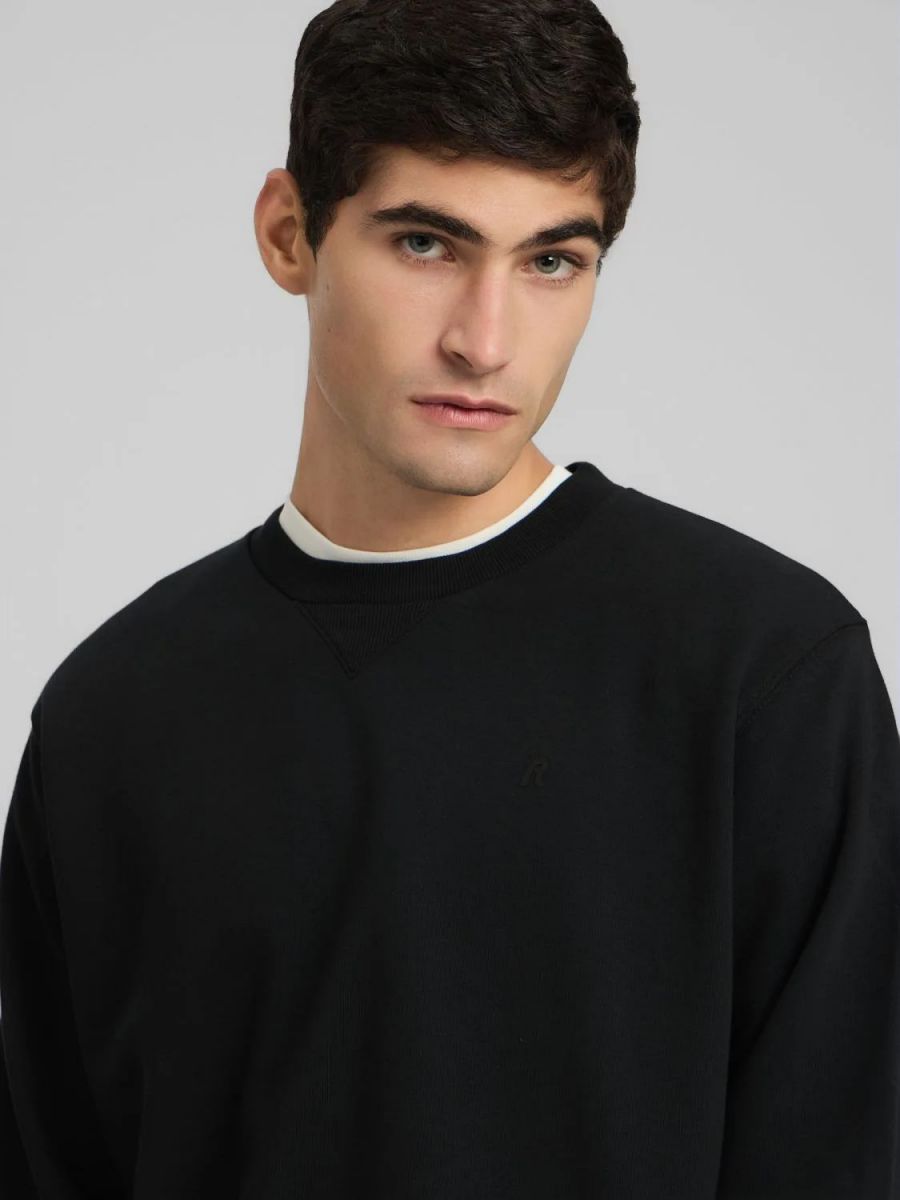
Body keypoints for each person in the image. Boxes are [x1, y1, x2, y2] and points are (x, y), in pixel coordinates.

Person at [2, 1, 898, 1196]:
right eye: (427, 244)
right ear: (288, 234)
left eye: (552, 261)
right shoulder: (112, 716)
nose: (486, 341)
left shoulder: (765, 677)